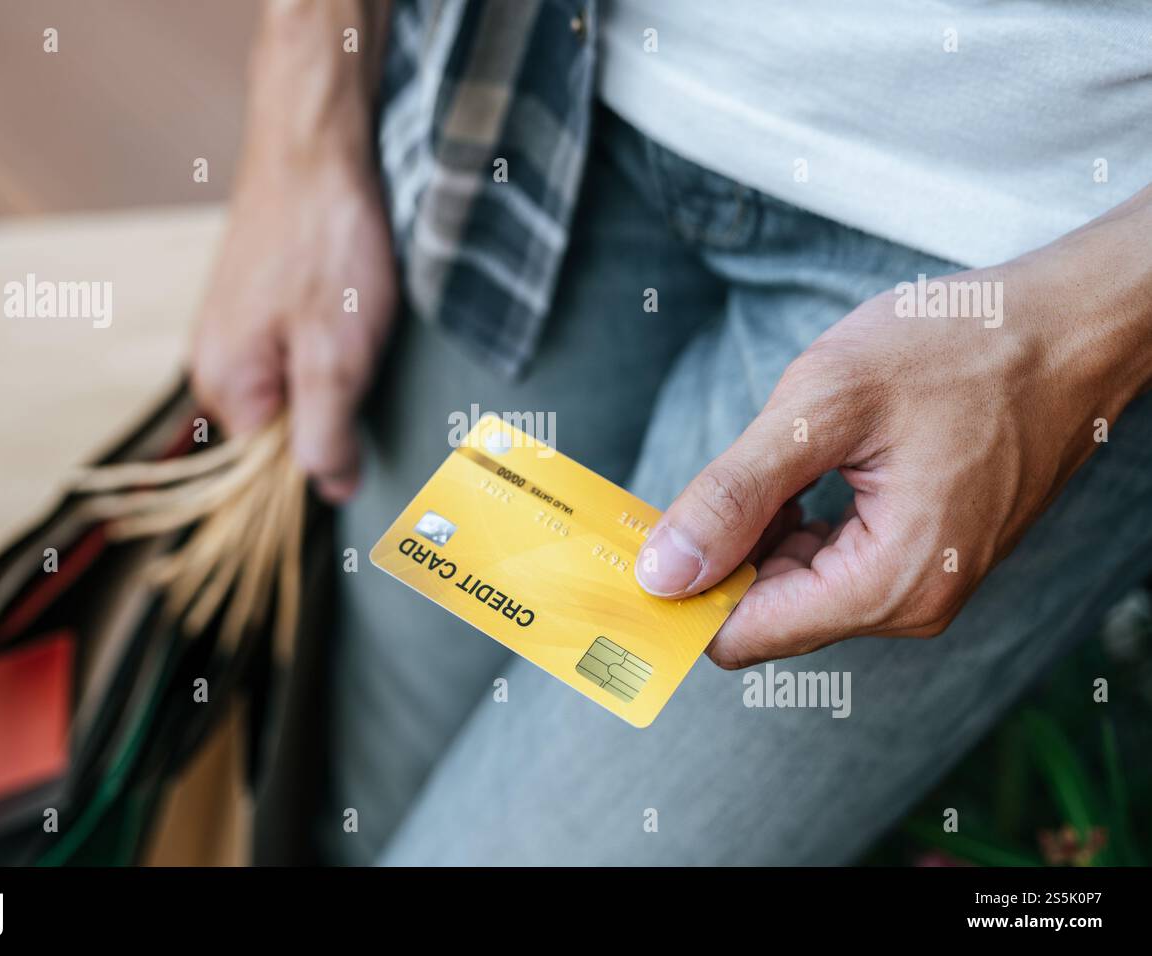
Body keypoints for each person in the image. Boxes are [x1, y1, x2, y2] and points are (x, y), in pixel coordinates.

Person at [192, 0, 1152, 864]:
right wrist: (301, 110)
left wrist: (1093, 326)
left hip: (1025, 252)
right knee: (356, 803)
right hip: (540, 98)